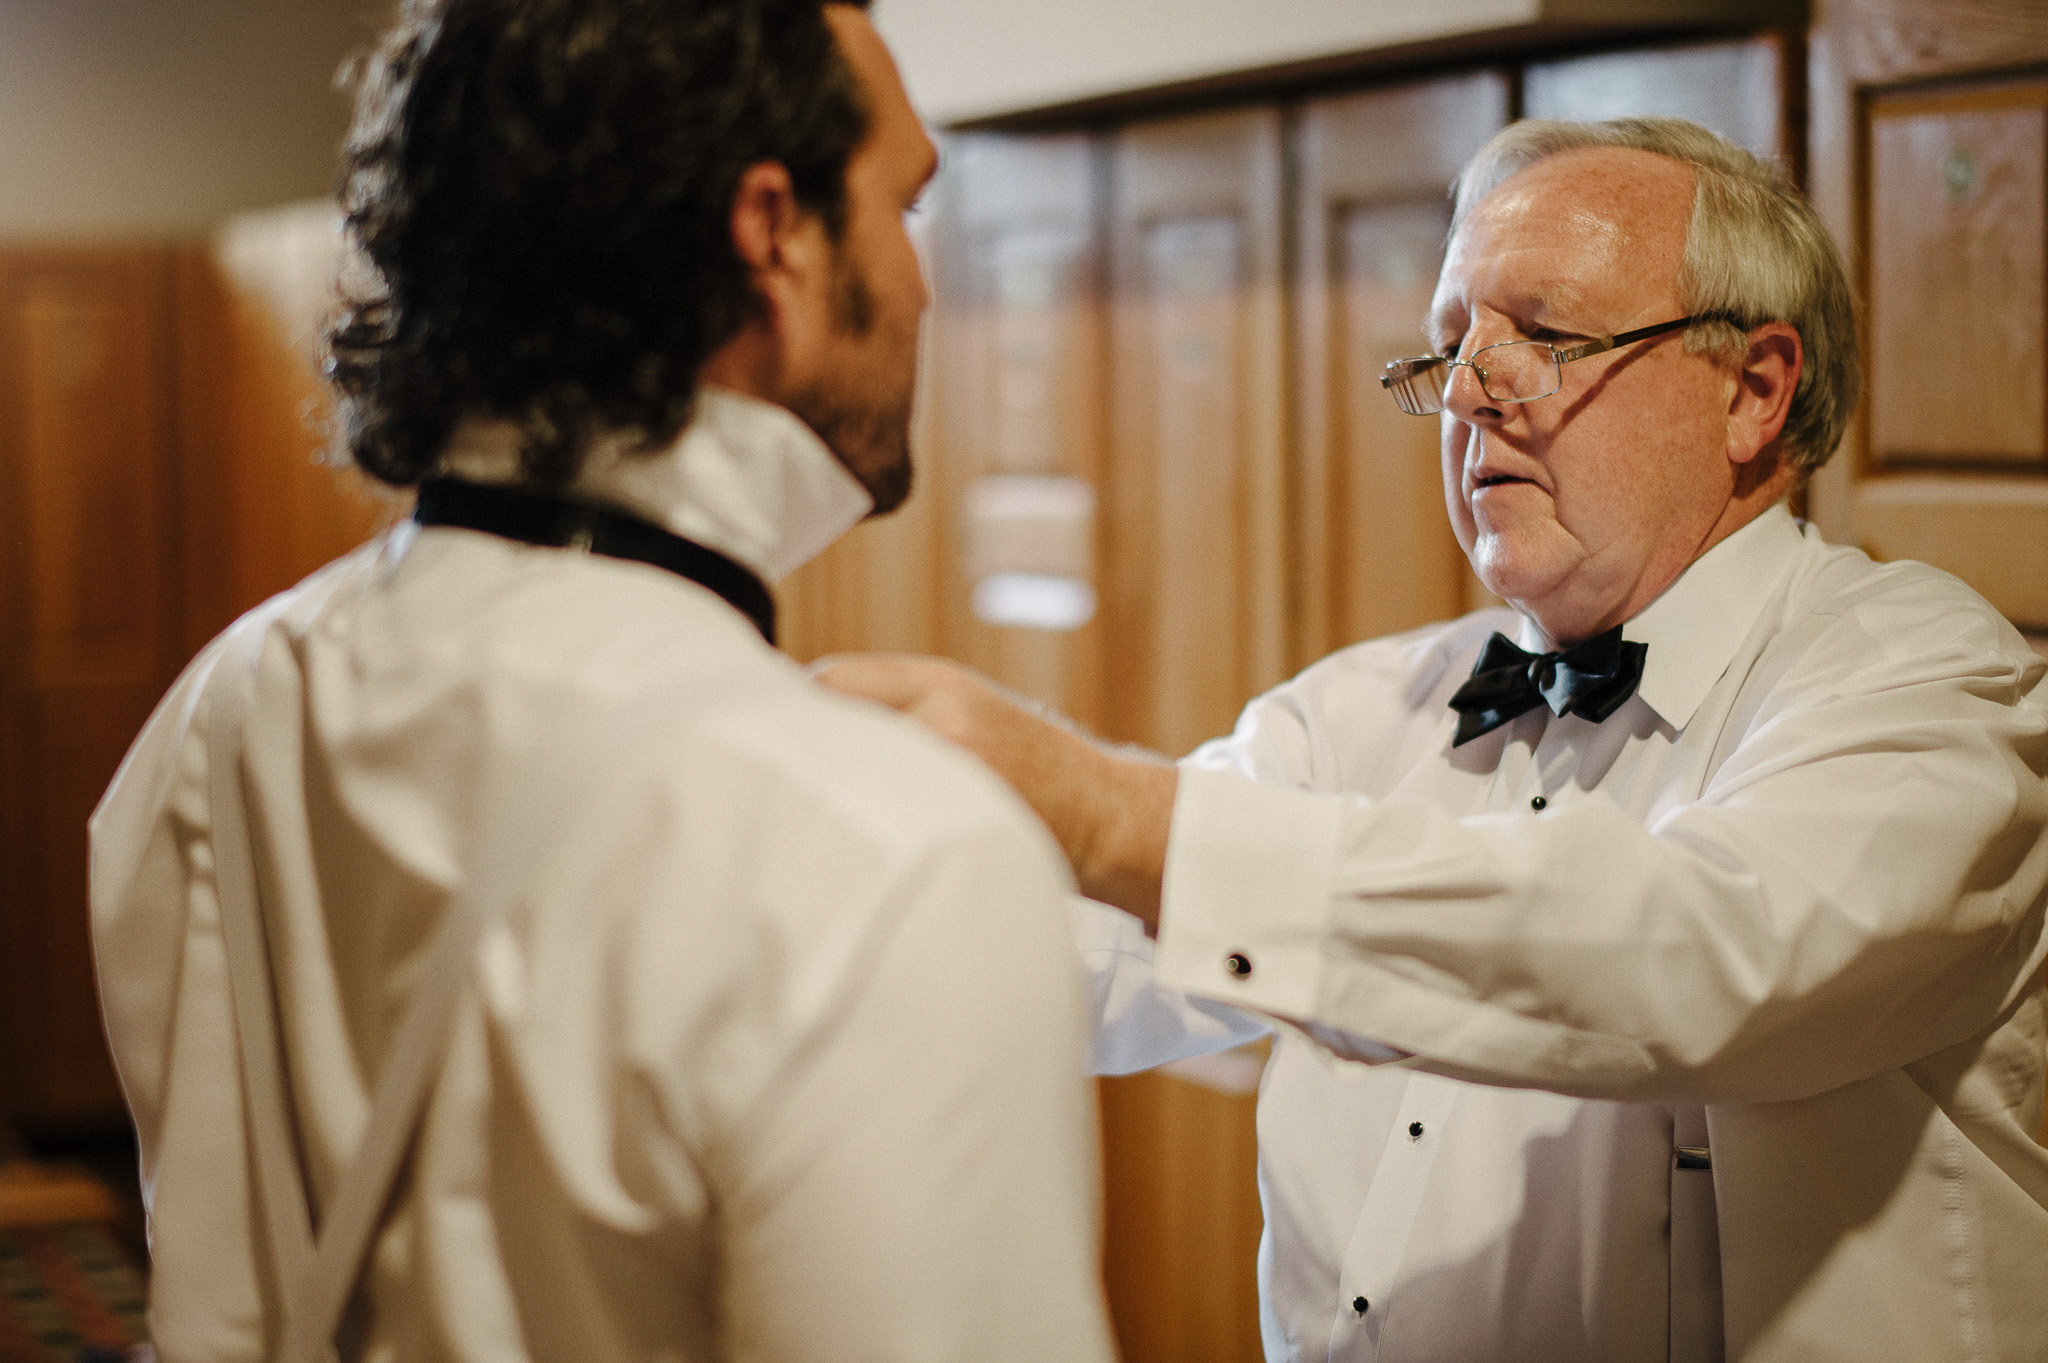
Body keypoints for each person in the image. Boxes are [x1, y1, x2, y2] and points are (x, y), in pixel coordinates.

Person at [819, 117, 2048, 1362]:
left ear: (1752, 389)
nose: (1462, 394)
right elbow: (1093, 955)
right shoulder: (1365, 708)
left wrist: (1115, 812)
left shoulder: (1932, 687)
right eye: (1452, 346)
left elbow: (1702, 952)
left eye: (1544, 339)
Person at [89, 3, 1119, 1361]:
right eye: (902, 206)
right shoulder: (881, 849)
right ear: (775, 234)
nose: (923, 284)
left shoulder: (219, 702)